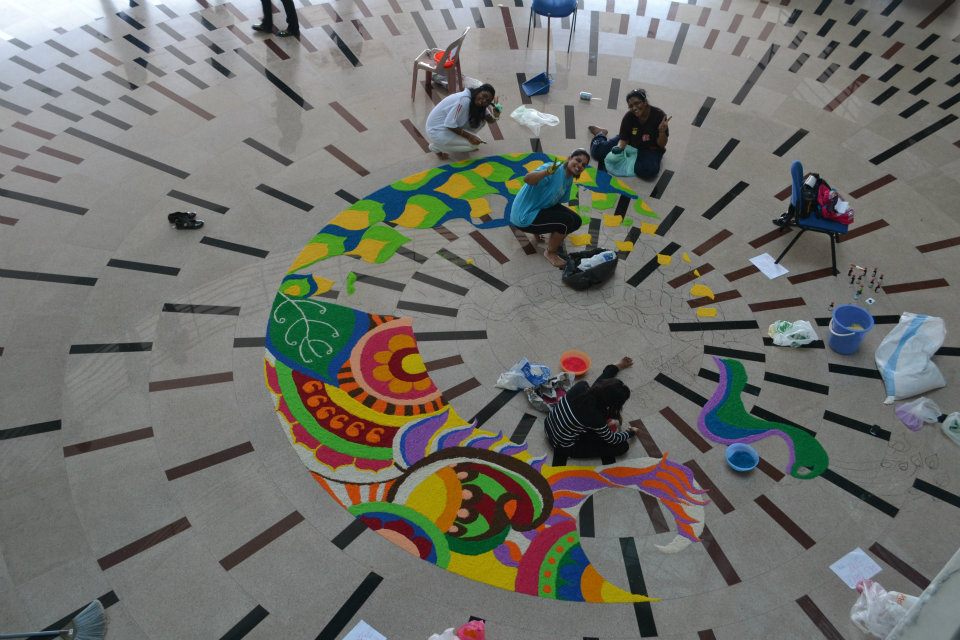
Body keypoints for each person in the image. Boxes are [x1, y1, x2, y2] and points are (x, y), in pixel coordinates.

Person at [544, 357, 640, 459]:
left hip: (548, 425)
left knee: (594, 393)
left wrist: (616, 367)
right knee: (623, 446)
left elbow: (600, 383)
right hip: (562, 446)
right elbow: (612, 439)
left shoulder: (581, 386)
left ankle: (615, 367)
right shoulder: (596, 418)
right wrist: (630, 433)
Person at [508, 149, 589, 268]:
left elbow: (556, 202)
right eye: (578, 160)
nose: (580, 165)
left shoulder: (569, 177)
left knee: (576, 221)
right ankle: (550, 253)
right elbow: (527, 179)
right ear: (569, 158)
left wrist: (543, 228)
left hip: (538, 209)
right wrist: (546, 172)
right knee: (565, 223)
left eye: (584, 165)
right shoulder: (553, 168)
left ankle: (553, 238)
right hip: (523, 216)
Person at [587, 88, 671, 178]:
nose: (634, 108)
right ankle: (601, 133)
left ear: (645, 102)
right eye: (631, 106)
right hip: (630, 144)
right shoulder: (629, 117)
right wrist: (619, 147)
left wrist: (662, 132)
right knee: (597, 152)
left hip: (650, 149)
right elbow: (624, 139)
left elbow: (662, 145)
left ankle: (639, 158)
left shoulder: (659, 116)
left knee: (648, 171)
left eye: (637, 103)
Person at [424, 84, 499, 159]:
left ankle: (459, 142)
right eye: (484, 96)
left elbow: (490, 120)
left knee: (481, 121)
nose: (483, 101)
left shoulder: (476, 99)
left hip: (446, 126)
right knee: (473, 145)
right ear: (479, 91)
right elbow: (449, 124)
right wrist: (470, 137)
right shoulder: (464, 101)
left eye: (487, 101)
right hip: (436, 130)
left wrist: (496, 114)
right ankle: (436, 147)